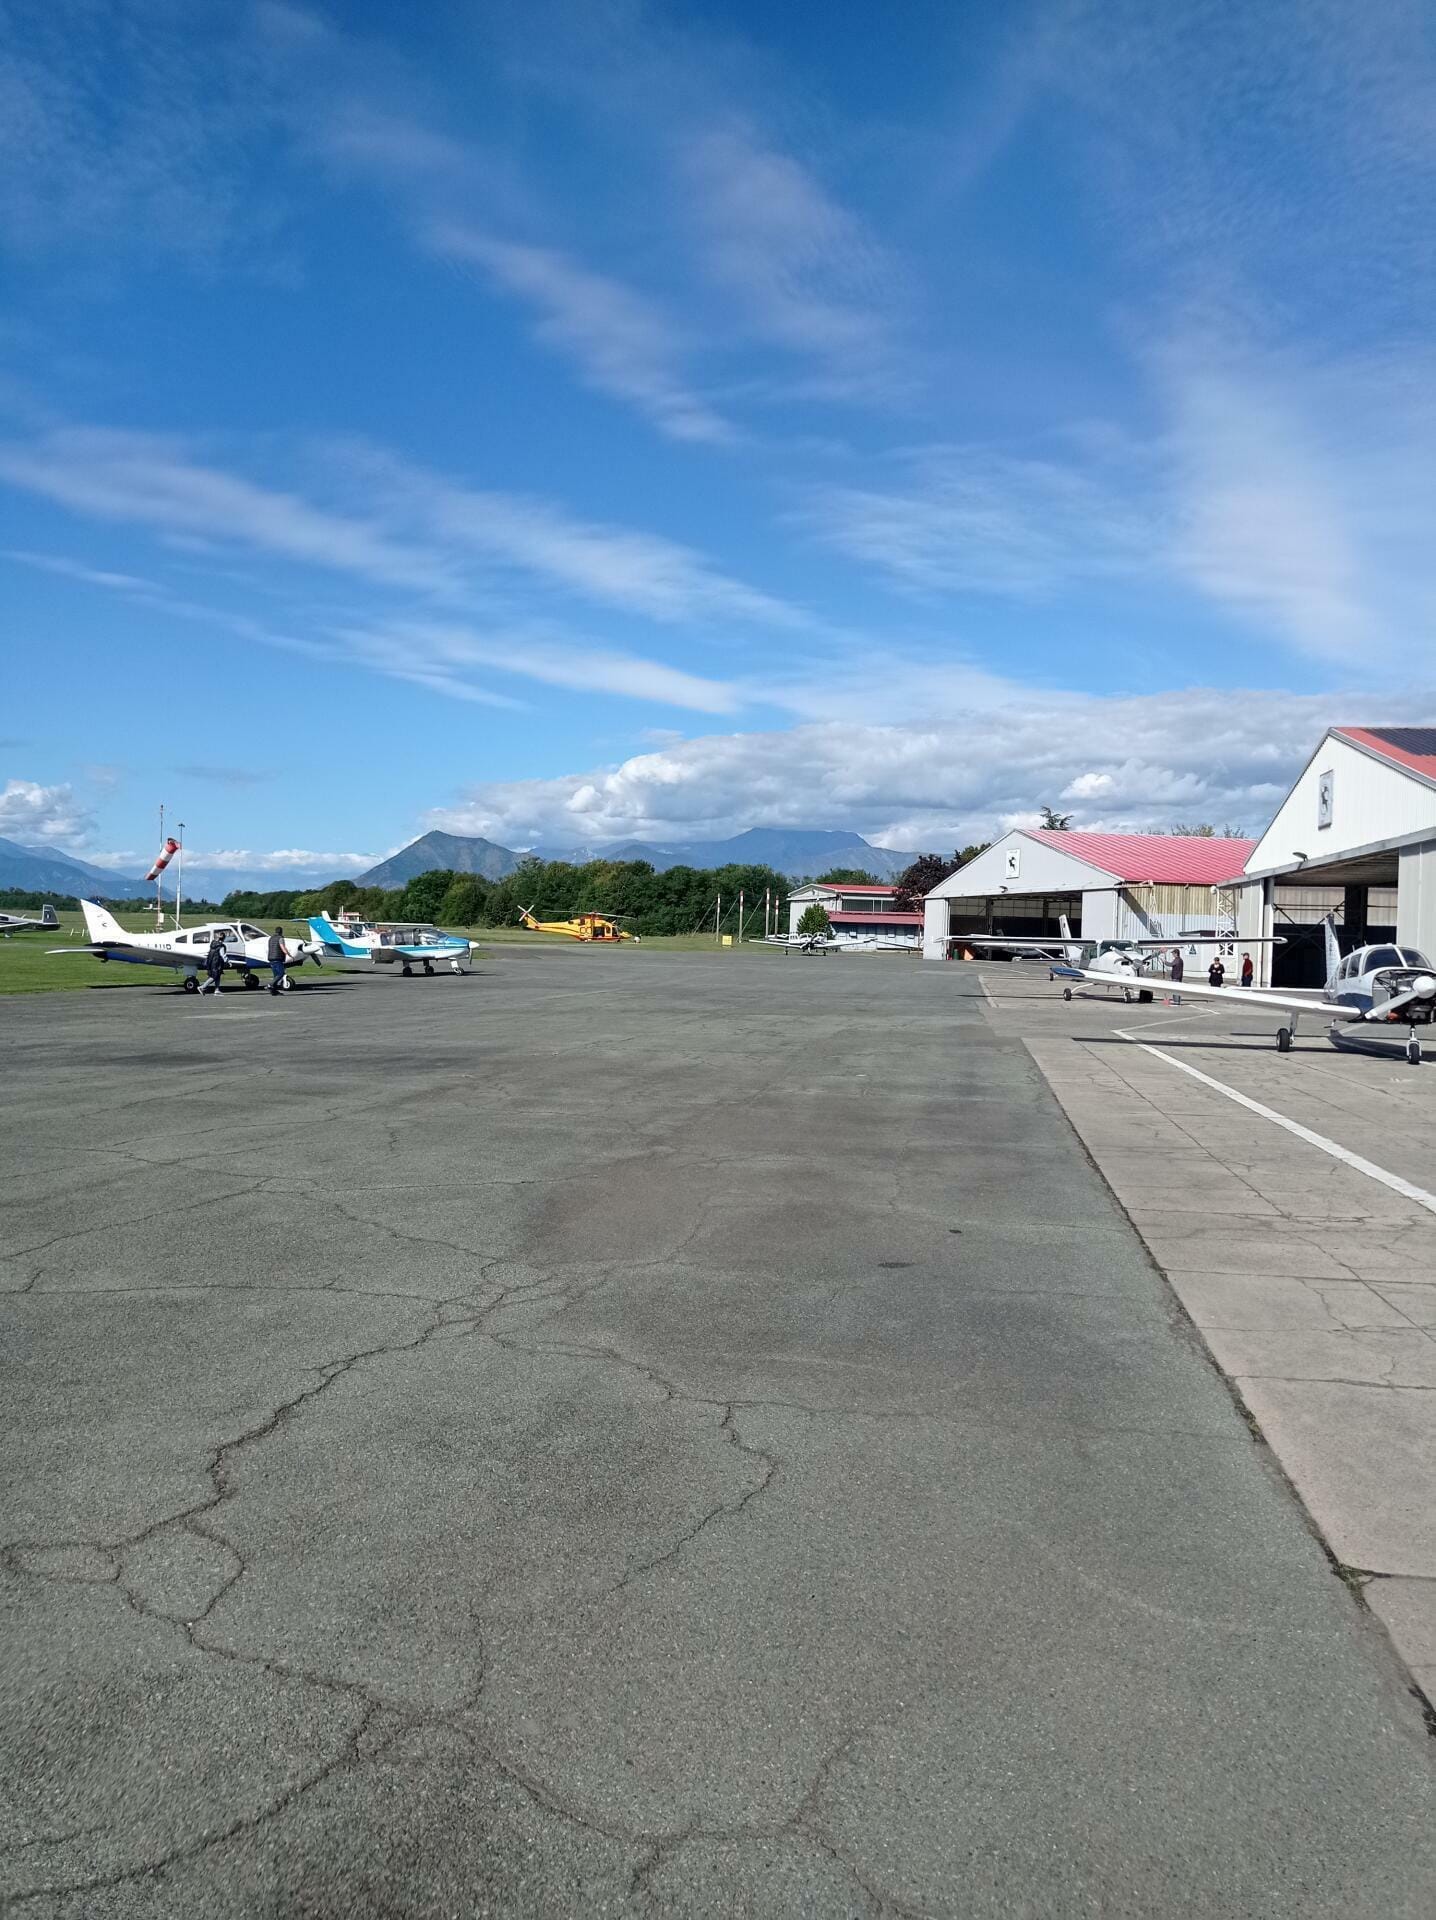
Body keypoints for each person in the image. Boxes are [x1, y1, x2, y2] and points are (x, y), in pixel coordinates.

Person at [199, 931, 227, 995]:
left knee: (218, 975)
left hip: (211, 963)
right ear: (224, 938)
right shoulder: (221, 946)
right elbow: (223, 955)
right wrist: (228, 961)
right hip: (217, 963)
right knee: (214, 976)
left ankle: (217, 990)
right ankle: (202, 987)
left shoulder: (213, 944)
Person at [267, 925, 290, 996]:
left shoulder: (271, 938)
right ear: (281, 932)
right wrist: (288, 954)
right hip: (278, 958)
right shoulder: (280, 938)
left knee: (276, 975)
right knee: (281, 973)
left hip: (271, 958)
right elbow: (282, 948)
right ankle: (270, 985)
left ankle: (274, 992)